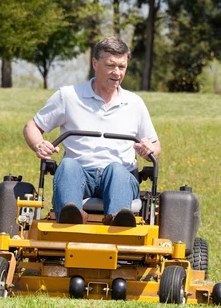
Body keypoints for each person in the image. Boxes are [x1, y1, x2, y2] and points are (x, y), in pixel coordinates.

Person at [23, 36, 161, 226]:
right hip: (80, 174)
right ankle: (71, 215)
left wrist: (149, 150)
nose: (117, 73)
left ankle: (118, 220)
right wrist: (39, 144)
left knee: (117, 170)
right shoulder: (68, 96)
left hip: (119, 177)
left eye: (122, 67)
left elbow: (155, 145)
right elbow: (32, 127)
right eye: (111, 66)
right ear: (95, 63)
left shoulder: (134, 103)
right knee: (68, 165)